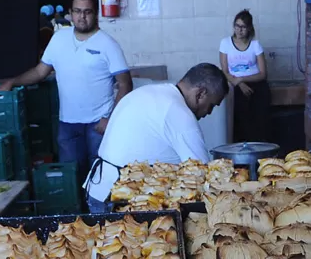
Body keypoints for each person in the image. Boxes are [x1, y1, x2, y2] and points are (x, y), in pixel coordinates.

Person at [0, 0, 132, 177]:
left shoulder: (108, 44)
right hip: (67, 124)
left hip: (99, 124)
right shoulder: (58, 39)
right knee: (71, 178)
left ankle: (100, 208)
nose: (82, 16)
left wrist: (110, 118)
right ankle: (75, 207)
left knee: (102, 177)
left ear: (96, 13)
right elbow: (40, 72)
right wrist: (12, 82)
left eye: (88, 11)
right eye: (77, 11)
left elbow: (125, 84)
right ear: (70, 12)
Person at [83, 63, 228, 214]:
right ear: (201, 94)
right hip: (120, 199)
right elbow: (202, 173)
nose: (209, 112)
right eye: (211, 105)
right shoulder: (179, 112)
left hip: (99, 189)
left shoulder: (149, 92)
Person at [219, 10, 270, 143]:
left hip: (255, 83)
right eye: (237, 26)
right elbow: (224, 71)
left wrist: (242, 79)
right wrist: (239, 83)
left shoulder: (255, 45)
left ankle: (261, 147)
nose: (239, 30)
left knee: (259, 120)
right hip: (234, 84)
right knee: (240, 118)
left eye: (243, 27)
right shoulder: (225, 43)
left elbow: (263, 74)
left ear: (249, 28)